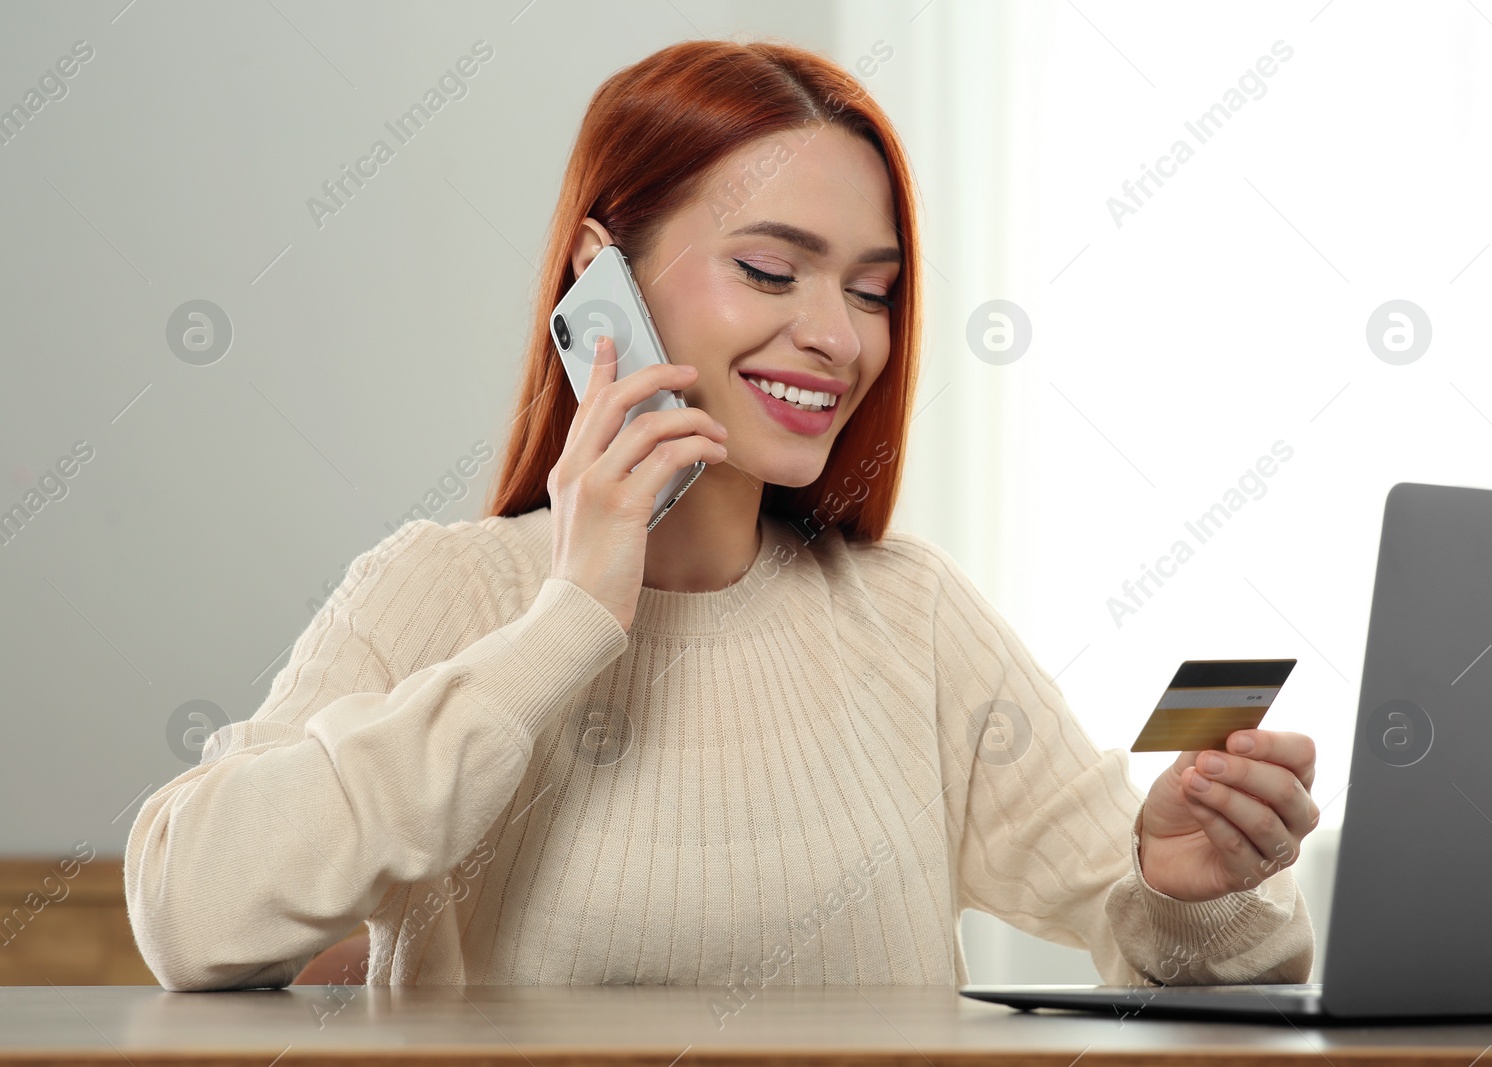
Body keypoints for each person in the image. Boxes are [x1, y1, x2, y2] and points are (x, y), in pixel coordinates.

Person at [125, 38, 1316, 995]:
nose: (837, 337)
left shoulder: (912, 614)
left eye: (871, 290)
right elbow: (191, 914)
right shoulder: (445, 591)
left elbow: (1174, 938)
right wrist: (568, 616)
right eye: (768, 270)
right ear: (602, 275)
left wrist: (1186, 886)